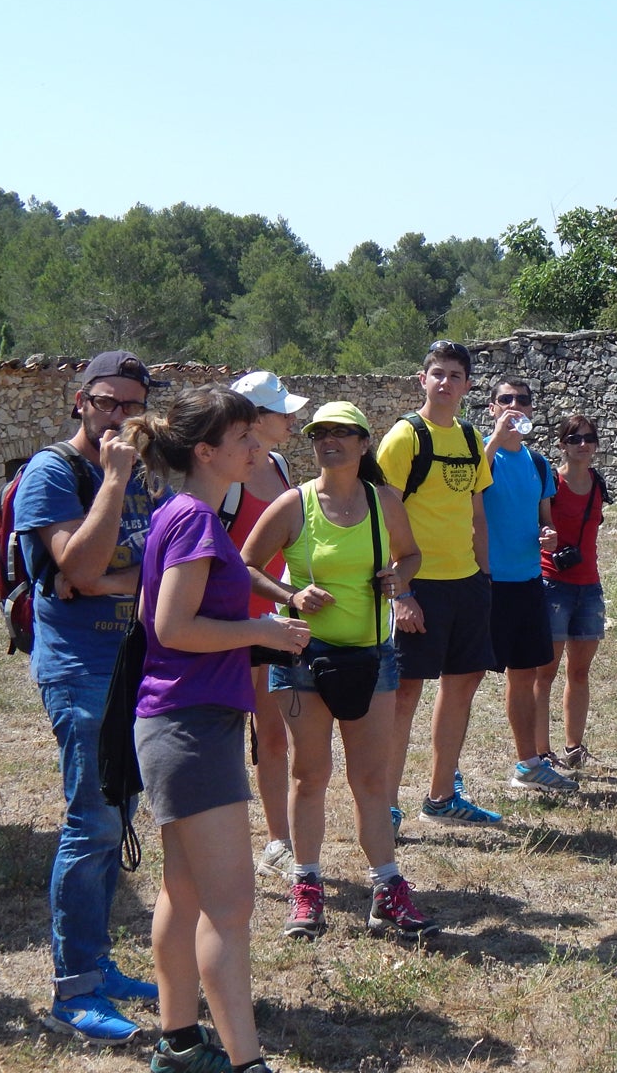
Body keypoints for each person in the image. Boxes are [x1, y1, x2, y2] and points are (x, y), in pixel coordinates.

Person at [126, 385, 310, 1073]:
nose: (257, 450)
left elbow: (151, 612)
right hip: (193, 726)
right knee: (230, 911)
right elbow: (170, 625)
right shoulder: (199, 523)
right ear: (206, 451)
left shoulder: (175, 514)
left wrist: (252, 630)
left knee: (185, 892)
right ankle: (246, 1063)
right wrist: (259, 630)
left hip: (175, 721)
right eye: (243, 441)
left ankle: (178, 1045)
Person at [14, 349, 165, 1044]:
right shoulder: (55, 472)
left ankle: (99, 966)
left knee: (120, 817)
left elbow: (150, 562)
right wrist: (112, 482)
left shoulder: (145, 470)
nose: (121, 416)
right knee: (92, 824)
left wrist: (112, 574)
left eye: (134, 404)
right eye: (108, 401)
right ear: (80, 400)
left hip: (134, 663)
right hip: (80, 669)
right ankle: (73, 990)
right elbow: (74, 566)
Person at [241, 402, 434, 940]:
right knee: (309, 776)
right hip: (304, 656)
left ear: (363, 443)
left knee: (371, 779)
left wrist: (400, 580)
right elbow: (247, 565)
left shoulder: (383, 501)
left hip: (373, 657)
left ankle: (387, 889)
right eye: (320, 433)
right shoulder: (293, 503)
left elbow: (411, 555)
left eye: (342, 433)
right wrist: (290, 594)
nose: (330, 441)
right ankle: (306, 887)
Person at [374, 341, 502, 826]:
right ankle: (385, 808)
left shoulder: (471, 439)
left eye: (455, 375)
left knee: (462, 685)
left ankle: (442, 797)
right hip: (418, 583)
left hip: (466, 582)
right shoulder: (404, 438)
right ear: (421, 380)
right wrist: (400, 592)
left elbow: (475, 513)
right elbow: (384, 514)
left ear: (467, 386)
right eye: (438, 373)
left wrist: (485, 578)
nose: (446, 382)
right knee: (404, 694)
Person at [224, 370, 308, 879]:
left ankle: (278, 840)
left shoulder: (276, 464)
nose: (293, 419)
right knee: (229, 733)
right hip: (231, 623)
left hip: (274, 617)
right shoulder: (223, 474)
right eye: (283, 411)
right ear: (254, 418)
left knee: (273, 734)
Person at [481, 379, 574, 792]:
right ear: (491, 407)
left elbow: (545, 517)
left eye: (522, 401)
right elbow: (466, 488)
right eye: (506, 400)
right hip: (483, 581)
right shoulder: (478, 452)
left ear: (532, 410)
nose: (514, 407)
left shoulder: (537, 464)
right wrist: (495, 441)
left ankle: (527, 765)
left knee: (524, 674)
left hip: (528, 580)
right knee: (462, 680)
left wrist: (548, 535)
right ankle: (446, 779)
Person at [535, 414, 609, 770]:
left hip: (588, 586)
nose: (583, 444)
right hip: (552, 584)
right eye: (575, 438)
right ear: (562, 444)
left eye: (589, 438)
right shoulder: (550, 482)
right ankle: (540, 751)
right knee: (544, 672)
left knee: (580, 672)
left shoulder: (598, 483)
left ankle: (574, 747)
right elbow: (536, 527)